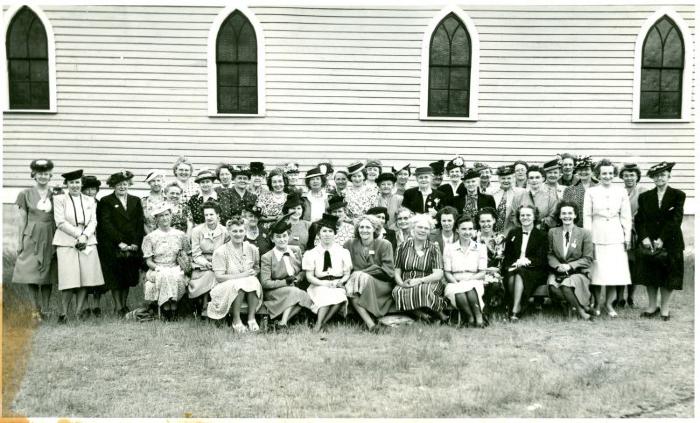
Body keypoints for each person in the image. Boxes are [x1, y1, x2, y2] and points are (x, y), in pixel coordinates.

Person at [52, 170, 104, 323]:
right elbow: (60, 222)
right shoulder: (59, 199)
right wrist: (78, 235)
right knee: (69, 279)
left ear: (81, 184)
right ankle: (63, 313)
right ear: (67, 184)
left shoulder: (90, 200)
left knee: (85, 278)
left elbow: (93, 222)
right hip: (66, 240)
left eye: (77, 182)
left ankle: (79, 312)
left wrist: (85, 236)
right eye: (71, 183)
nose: (75, 185)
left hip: (87, 240)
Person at [636, 161, 685, 321]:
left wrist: (662, 239)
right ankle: (652, 307)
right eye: (656, 176)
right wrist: (644, 238)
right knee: (650, 275)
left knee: (668, 276)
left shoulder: (678, 195)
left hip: (671, 242)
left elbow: (676, 219)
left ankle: (664, 309)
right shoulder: (645, 197)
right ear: (653, 178)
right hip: (648, 242)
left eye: (663, 175)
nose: (659, 178)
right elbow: (639, 220)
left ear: (669, 176)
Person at [583, 159, 632, 317]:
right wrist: (589, 238)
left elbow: (625, 216)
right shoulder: (591, 192)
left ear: (614, 174)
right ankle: (597, 303)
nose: (607, 176)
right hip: (597, 233)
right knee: (598, 271)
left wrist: (627, 237)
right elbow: (587, 216)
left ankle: (609, 304)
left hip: (616, 235)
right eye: (604, 173)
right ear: (598, 174)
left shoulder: (621, 191)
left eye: (610, 173)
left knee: (613, 271)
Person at [12, 159, 58, 321]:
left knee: (47, 273)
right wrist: (19, 242)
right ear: (34, 175)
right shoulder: (25, 194)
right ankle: (34, 310)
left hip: (50, 235)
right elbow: (22, 219)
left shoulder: (56, 194)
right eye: (40, 174)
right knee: (30, 272)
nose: (43, 177)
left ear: (50, 175)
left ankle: (46, 309)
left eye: (46, 174)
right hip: (31, 236)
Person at [97, 170, 145, 316]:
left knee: (127, 277)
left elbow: (139, 223)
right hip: (113, 245)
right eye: (119, 185)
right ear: (113, 186)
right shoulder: (106, 201)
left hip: (132, 246)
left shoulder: (135, 200)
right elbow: (106, 224)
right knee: (115, 278)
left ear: (129, 184)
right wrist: (120, 242)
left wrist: (136, 243)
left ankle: (124, 306)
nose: (122, 187)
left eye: (125, 184)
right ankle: (118, 307)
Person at [392, 214, 448, 323]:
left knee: (423, 289)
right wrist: (401, 283)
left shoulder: (433, 248)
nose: (423, 230)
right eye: (420, 227)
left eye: (426, 228)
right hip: (407, 281)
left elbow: (438, 274)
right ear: (413, 228)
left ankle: (439, 315)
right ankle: (424, 316)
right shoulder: (402, 247)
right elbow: (396, 270)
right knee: (397, 292)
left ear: (429, 231)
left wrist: (419, 280)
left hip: (429, 281)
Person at [210, 218, 263, 333]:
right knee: (239, 284)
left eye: (241, 231)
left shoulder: (252, 249)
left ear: (245, 232)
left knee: (253, 281)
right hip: (223, 286)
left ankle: (251, 318)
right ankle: (236, 320)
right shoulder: (220, 251)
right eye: (234, 231)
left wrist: (254, 272)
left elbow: (256, 268)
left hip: (247, 284)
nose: (238, 234)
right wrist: (243, 275)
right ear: (228, 232)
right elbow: (219, 277)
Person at [302, 213, 352, 332]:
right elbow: (309, 276)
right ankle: (319, 325)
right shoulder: (311, 253)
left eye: (330, 231)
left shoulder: (343, 252)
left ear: (335, 234)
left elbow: (347, 273)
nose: (327, 234)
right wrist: (323, 284)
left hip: (337, 283)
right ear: (319, 234)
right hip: (318, 284)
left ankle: (322, 323)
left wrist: (340, 282)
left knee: (340, 295)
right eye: (324, 231)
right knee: (324, 294)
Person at [344, 215, 395, 332]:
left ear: (375, 229)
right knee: (356, 281)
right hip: (354, 283)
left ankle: (370, 321)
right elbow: (346, 267)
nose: (364, 230)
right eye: (361, 227)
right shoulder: (349, 244)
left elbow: (389, 271)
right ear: (357, 229)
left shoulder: (384, 244)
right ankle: (371, 325)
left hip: (380, 283)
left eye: (368, 227)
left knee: (359, 277)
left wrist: (364, 273)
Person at [260, 219, 314, 328]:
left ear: (288, 236)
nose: (282, 239)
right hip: (274, 291)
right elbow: (265, 283)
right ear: (272, 239)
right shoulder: (267, 257)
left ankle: (281, 322)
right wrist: (285, 282)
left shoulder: (296, 250)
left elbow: (303, 270)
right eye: (278, 237)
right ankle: (283, 322)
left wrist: (298, 277)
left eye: (284, 236)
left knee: (301, 295)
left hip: (294, 288)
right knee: (297, 293)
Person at [142, 203, 190, 321]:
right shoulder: (150, 237)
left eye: (167, 214)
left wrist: (183, 265)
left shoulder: (180, 235)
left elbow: (187, 254)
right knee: (165, 275)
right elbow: (148, 261)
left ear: (171, 216)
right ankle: (167, 308)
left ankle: (172, 308)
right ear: (156, 219)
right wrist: (158, 268)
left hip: (176, 268)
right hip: (156, 269)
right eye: (161, 216)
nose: (164, 218)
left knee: (175, 276)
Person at [547, 201, 594, 320]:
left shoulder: (585, 233)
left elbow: (588, 258)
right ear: (559, 216)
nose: (566, 216)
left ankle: (581, 312)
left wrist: (570, 266)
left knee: (566, 286)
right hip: (558, 271)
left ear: (575, 215)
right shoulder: (552, 232)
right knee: (553, 287)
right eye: (563, 213)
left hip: (578, 271)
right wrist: (558, 266)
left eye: (569, 213)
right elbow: (550, 254)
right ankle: (571, 307)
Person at [501, 205, 548, 321]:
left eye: (528, 215)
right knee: (512, 275)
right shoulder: (513, 233)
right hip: (514, 267)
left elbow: (542, 259)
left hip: (534, 269)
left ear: (534, 217)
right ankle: (517, 305)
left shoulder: (542, 235)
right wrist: (512, 265)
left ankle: (515, 308)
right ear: (518, 217)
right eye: (522, 215)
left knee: (519, 273)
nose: (525, 217)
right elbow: (507, 256)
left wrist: (527, 261)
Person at [443, 215, 489, 328]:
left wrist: (468, 280)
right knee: (458, 290)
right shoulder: (449, 248)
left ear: (474, 230)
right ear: (457, 230)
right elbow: (447, 272)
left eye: (470, 229)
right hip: (455, 281)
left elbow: (482, 272)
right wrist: (456, 282)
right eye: (463, 229)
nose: (467, 232)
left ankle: (478, 317)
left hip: (474, 280)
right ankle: (470, 317)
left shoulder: (481, 248)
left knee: (470, 288)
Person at [188, 201, 228, 317]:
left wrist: (217, 263)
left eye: (211, 214)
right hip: (201, 264)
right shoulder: (197, 231)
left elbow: (227, 251)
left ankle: (208, 306)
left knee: (215, 274)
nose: (209, 217)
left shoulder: (225, 231)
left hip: (220, 263)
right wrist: (205, 263)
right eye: (206, 215)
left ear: (218, 215)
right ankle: (205, 305)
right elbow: (195, 254)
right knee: (210, 274)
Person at [617, 162, 648, 308]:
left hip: (636, 232)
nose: (629, 178)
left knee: (633, 266)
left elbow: (645, 211)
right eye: (626, 175)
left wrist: (633, 220)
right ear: (622, 177)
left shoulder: (643, 191)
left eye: (632, 175)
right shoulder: (618, 192)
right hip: (620, 231)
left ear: (637, 176)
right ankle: (619, 297)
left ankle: (630, 297)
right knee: (620, 264)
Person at [81, 174, 106, 316]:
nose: (90, 192)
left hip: (99, 243)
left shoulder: (101, 204)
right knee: (83, 274)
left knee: (98, 274)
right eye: (87, 189)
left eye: (93, 189)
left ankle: (96, 306)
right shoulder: (78, 204)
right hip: (84, 242)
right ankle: (84, 306)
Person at [510, 165, 558, 232]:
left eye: (537, 177)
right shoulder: (519, 196)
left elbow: (553, 216)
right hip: (522, 231)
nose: (534, 180)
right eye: (531, 178)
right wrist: (523, 227)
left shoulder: (551, 197)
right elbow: (513, 215)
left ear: (543, 179)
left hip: (542, 233)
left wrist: (538, 226)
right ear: (528, 180)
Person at [562, 156, 596, 227]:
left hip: (596, 227)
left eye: (586, 169)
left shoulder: (599, 187)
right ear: (577, 171)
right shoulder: (569, 190)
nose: (583, 172)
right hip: (577, 228)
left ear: (592, 171)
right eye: (580, 169)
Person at [492, 164, 525, 235]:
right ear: (499, 179)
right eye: (503, 178)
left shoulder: (521, 192)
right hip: (493, 231)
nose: (506, 181)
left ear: (513, 178)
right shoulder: (492, 193)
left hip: (512, 231)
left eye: (509, 178)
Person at [142, 169, 166, 234]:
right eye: (153, 181)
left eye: (158, 180)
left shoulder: (168, 199)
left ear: (162, 181)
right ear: (149, 183)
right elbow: (141, 221)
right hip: (148, 235)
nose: (156, 184)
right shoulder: (143, 201)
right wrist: (150, 236)